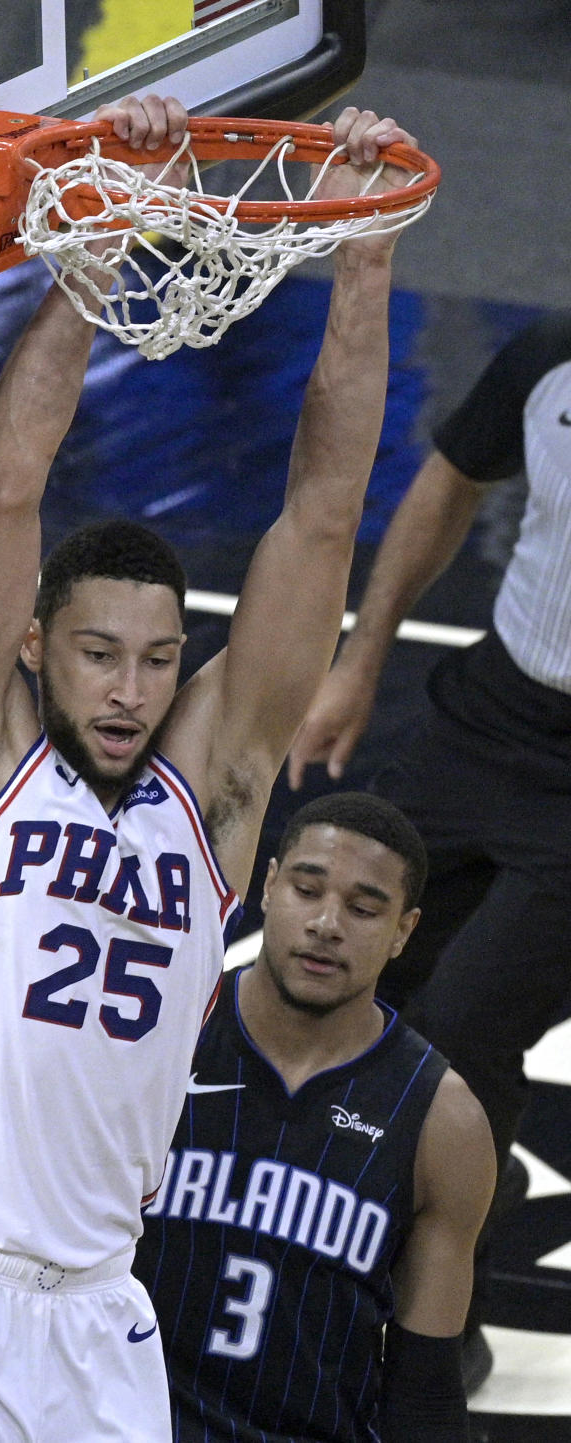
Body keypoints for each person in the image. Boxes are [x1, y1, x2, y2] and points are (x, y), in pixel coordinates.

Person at [0, 95, 419, 1443]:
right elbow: (2, 492)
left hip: (97, 1311)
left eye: (158, 658)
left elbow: (323, 514)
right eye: (98, 654)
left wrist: (361, 266)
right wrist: (95, 234)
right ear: (35, 647)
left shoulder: (218, 794)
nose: (133, 689)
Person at [286, 313, 571, 1381]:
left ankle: (442, 1324)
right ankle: (319, 1243)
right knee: (353, 973)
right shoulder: (550, 357)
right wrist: (361, 662)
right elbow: (452, 478)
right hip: (489, 714)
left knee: (463, 1030)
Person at [135, 791, 496, 1443]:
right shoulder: (155, 1031)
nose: (327, 923)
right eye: (308, 890)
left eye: (363, 908)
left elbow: (425, 1390)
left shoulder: (445, 1122)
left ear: (404, 930)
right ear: (269, 888)